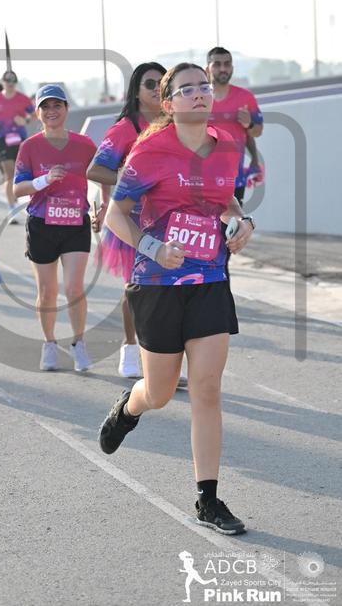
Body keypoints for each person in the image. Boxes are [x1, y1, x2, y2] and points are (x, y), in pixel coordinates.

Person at [98, 63, 255, 535]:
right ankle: (130, 407)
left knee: (207, 388)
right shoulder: (150, 150)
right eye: (186, 89)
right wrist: (152, 247)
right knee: (160, 393)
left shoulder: (227, 146)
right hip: (157, 284)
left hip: (209, 280)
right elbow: (115, 214)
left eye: (204, 86)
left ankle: (208, 498)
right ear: (168, 104)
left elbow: (227, 201)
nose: (199, 93)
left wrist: (241, 223)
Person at [87, 62, 167, 378]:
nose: (157, 89)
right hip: (130, 222)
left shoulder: (173, 123)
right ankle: (129, 349)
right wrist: (129, 177)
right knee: (136, 288)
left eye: (162, 83)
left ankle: (159, 363)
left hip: (167, 223)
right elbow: (95, 169)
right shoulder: (125, 128)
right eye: (150, 84)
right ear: (136, 91)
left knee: (165, 293)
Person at [13, 85, 97, 372]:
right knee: (47, 291)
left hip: (75, 222)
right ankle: (49, 343)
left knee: (74, 288)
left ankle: (78, 343)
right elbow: (17, 189)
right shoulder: (30, 146)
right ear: (38, 112)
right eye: (45, 107)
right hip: (42, 224)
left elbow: (104, 174)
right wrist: (44, 180)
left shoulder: (84, 144)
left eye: (57, 105)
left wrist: (102, 207)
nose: (51, 111)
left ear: (66, 109)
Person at [206, 47, 263, 206]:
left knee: (234, 220)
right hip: (203, 177)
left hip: (235, 178)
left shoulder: (245, 97)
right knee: (206, 221)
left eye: (227, 64)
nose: (223, 69)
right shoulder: (199, 99)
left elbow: (256, 132)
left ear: (232, 67)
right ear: (207, 68)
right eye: (217, 64)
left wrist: (249, 124)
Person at [0, 71, 34, 223]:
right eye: (7, 82)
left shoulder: (23, 98)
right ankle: (12, 209)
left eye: (13, 82)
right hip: (2, 139)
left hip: (20, 139)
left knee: (22, 173)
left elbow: (36, 113)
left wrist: (25, 120)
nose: (10, 85)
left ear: (15, 83)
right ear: (3, 83)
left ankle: (21, 201)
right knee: (9, 174)